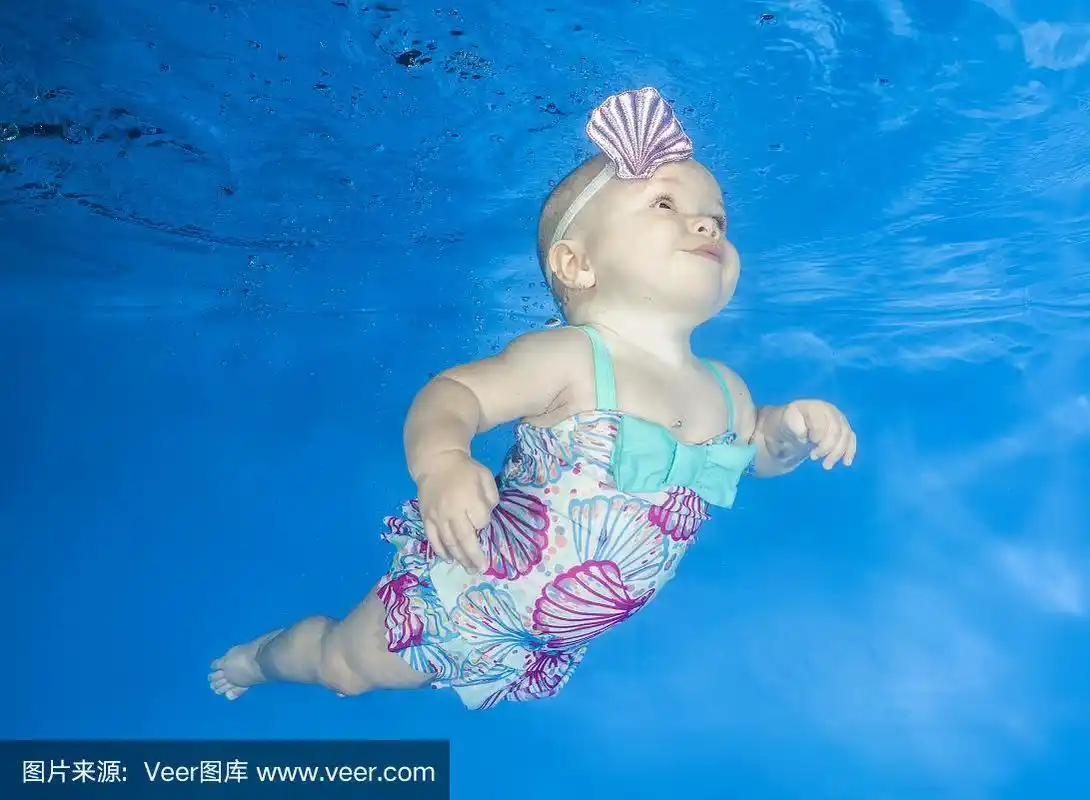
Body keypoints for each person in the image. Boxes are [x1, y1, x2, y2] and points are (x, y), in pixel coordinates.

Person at [208, 87, 856, 711]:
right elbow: (455, 392)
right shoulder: (575, 357)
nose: (705, 222)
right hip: (462, 590)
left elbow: (757, 454)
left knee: (360, 677)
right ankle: (258, 661)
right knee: (343, 671)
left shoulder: (728, 390)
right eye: (664, 205)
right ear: (576, 265)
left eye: (716, 217)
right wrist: (442, 464)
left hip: (540, 637)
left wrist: (792, 430)